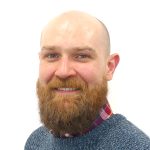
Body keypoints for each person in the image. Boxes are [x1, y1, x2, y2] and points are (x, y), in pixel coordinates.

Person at [25, 10, 150, 150]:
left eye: (81, 56)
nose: (63, 71)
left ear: (109, 67)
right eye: (52, 55)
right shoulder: (36, 142)